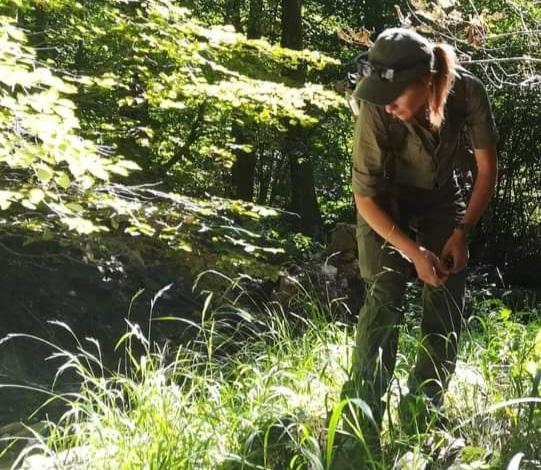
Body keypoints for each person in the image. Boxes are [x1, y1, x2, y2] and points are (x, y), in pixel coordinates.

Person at [333, 27, 498, 469]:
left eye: (394, 95)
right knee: (385, 296)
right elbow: (365, 200)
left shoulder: (468, 93)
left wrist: (461, 232)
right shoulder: (375, 107)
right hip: (385, 204)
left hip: (442, 198)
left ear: (426, 80)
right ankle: (357, 431)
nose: (387, 104)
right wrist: (413, 253)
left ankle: (422, 419)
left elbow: (486, 170)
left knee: (446, 294)